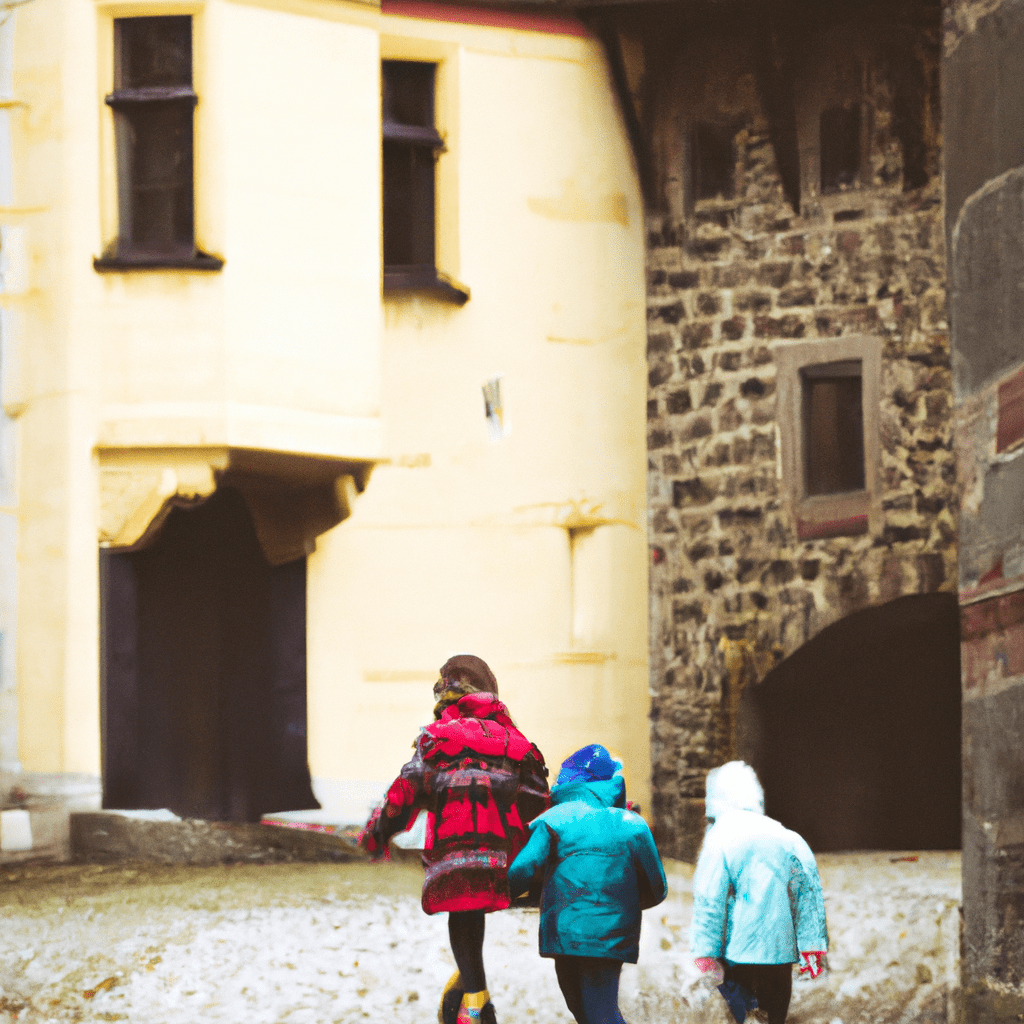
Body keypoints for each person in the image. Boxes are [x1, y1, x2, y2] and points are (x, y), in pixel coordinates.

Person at [359, 654, 549, 1024]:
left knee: (464, 913)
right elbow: (538, 799)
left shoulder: (433, 739)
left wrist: (377, 833)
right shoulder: (517, 741)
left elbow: (402, 793)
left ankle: (476, 1003)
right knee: (474, 912)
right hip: (500, 860)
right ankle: (472, 999)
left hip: (452, 857)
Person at [507, 743, 668, 1024]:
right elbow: (658, 887)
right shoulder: (633, 825)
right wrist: (622, 907)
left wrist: (502, 896)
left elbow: (524, 867)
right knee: (597, 1010)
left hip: (564, 933)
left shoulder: (554, 818)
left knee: (585, 1008)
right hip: (611, 937)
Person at [690, 760, 828, 1024]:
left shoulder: (720, 839)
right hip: (780, 955)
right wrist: (812, 947)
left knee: (745, 1017)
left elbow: (710, 900)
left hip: (738, 955)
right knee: (773, 1017)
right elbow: (808, 897)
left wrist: (705, 951)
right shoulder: (787, 837)